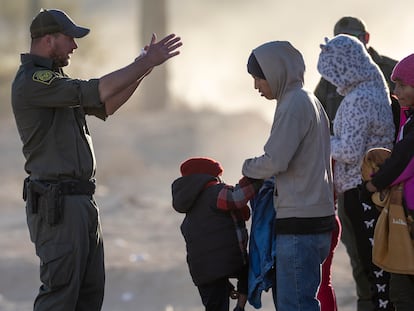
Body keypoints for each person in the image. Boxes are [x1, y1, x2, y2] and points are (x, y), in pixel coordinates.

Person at [11, 8, 182, 311]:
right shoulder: (34, 81)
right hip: (58, 205)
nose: (75, 46)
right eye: (70, 39)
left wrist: (144, 69)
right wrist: (144, 61)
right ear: (49, 40)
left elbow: (108, 104)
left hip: (79, 202)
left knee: (88, 296)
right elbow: (98, 89)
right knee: (61, 296)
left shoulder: (55, 80)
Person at [243, 41, 336, 311]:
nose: (256, 86)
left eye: (258, 78)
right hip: (313, 218)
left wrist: (247, 168)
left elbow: (275, 160)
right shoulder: (308, 99)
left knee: (294, 305)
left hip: (299, 224)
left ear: (275, 73)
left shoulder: (293, 104)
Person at [315, 18, 399, 310]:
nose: (333, 81)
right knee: (375, 265)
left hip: (359, 189)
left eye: (334, 73)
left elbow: (349, 151)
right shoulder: (372, 86)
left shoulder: (359, 99)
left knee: (369, 266)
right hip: (371, 187)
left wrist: (320, 139)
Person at [171, 157, 263, 311]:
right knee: (246, 274)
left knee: (214, 305)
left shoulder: (191, 206)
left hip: (203, 270)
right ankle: (240, 307)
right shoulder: (214, 192)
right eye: (218, 176)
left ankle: (239, 307)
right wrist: (258, 176)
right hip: (227, 262)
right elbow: (237, 198)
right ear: (207, 177)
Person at [360, 53, 414, 311]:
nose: (396, 91)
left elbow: (405, 156)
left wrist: (373, 184)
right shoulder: (408, 116)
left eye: (402, 85)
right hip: (407, 215)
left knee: (403, 295)